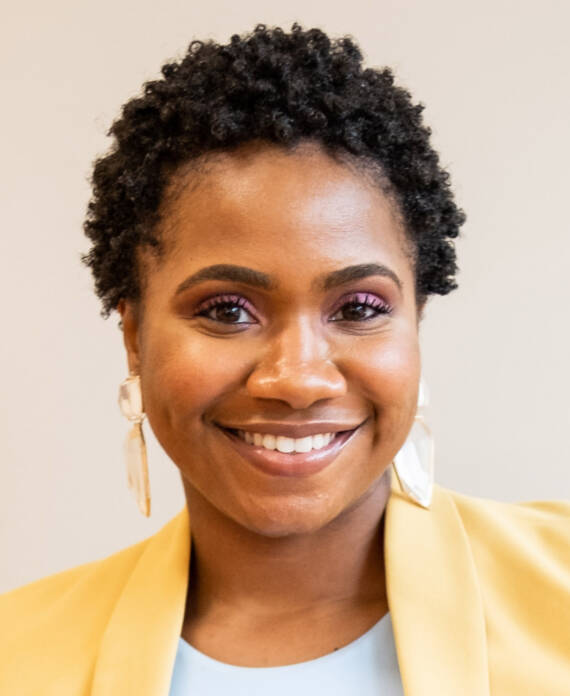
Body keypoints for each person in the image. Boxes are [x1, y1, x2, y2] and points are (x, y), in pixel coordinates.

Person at [1, 23, 568, 696]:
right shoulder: (19, 655)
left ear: (415, 322)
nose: (298, 380)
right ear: (133, 336)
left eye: (359, 308)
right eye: (226, 311)